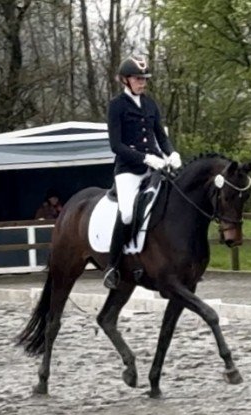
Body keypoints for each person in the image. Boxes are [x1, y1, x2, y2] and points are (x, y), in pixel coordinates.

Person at [103, 55, 182, 289]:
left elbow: (161, 136)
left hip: (154, 168)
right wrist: (146, 158)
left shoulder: (150, 104)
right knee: (127, 214)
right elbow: (116, 146)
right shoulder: (116, 106)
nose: (143, 83)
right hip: (128, 170)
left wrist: (171, 154)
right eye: (138, 79)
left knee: (172, 203)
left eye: (144, 79)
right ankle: (113, 266)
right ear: (125, 80)